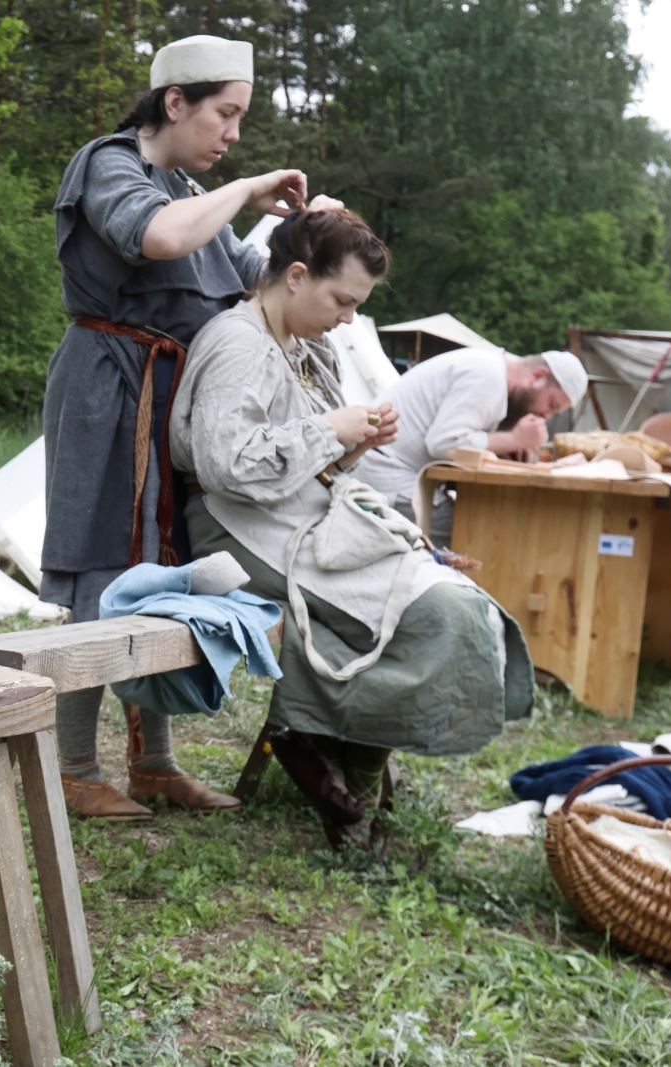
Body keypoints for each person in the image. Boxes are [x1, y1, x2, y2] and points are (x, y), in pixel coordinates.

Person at [41, 33, 338, 819]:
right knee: (105, 566)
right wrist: (243, 190)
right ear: (176, 103)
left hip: (172, 395)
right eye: (225, 114)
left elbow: (257, 287)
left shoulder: (190, 191)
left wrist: (314, 238)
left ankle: (155, 763)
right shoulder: (112, 164)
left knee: (168, 567)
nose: (234, 134)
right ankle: (73, 764)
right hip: (109, 389)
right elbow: (159, 236)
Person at [170, 207, 534, 848]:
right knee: (438, 614)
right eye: (341, 300)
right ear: (297, 276)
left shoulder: (309, 348)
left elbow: (310, 459)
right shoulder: (236, 342)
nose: (347, 318)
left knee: (458, 606)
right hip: (241, 530)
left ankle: (331, 757)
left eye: (356, 306)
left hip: (304, 519)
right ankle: (345, 781)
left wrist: (352, 447)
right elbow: (225, 466)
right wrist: (329, 432)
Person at [355, 347, 587, 545]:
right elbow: (443, 443)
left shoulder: (491, 369)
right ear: (538, 375)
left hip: (393, 475)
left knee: (485, 530)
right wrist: (514, 438)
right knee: (480, 537)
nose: (545, 416)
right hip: (387, 479)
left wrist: (501, 445)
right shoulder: (489, 378)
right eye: (551, 404)